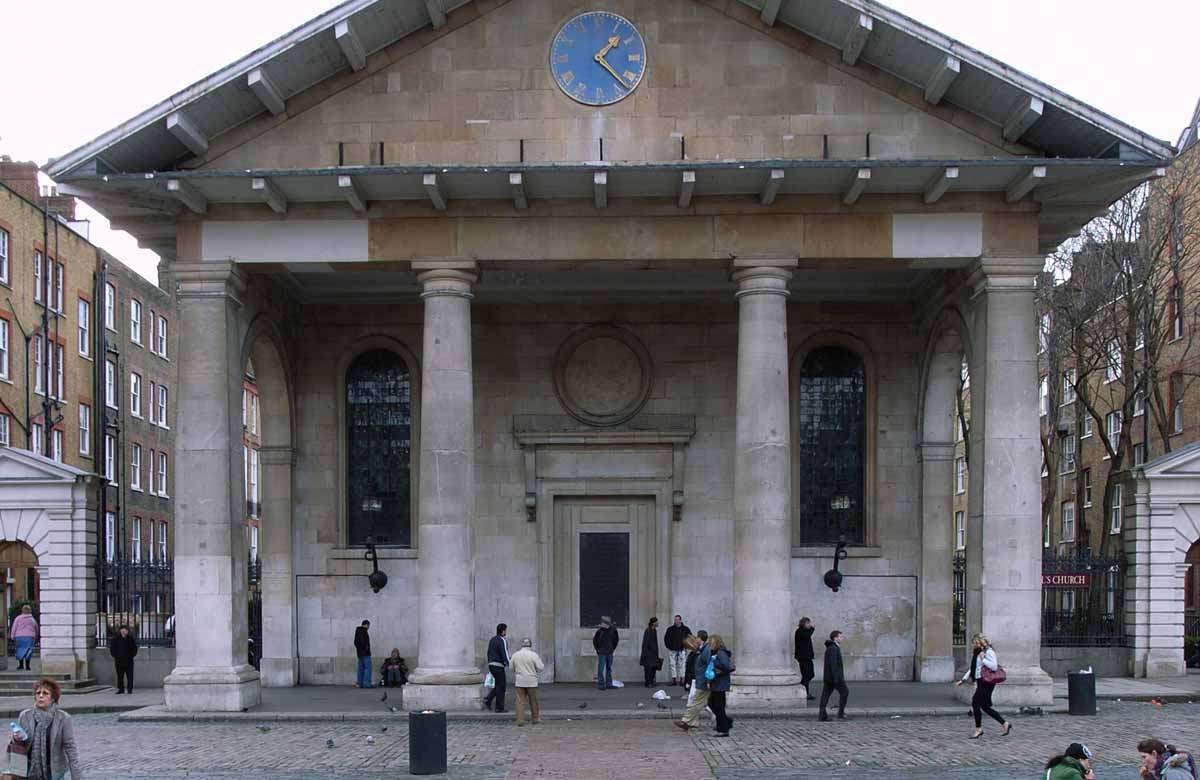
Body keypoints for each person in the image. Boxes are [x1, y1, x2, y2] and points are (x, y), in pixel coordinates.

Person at [13, 677, 82, 780]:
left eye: (45, 693)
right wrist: (16, 738)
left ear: (53, 698)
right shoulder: (25, 715)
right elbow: (18, 744)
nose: (41, 696)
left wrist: (76, 776)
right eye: (38, 693)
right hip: (28, 771)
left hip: (54, 773)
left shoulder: (63, 718)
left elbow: (70, 747)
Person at [955, 632, 1011, 739]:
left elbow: (994, 667)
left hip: (987, 682)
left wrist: (983, 659)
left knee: (975, 702)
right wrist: (963, 680)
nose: (974, 645)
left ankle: (978, 729)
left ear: (980, 642)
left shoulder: (989, 652)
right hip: (981, 681)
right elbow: (973, 668)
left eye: (975, 643)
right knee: (985, 707)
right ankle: (1005, 724)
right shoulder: (977, 653)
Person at [675, 630, 711, 731]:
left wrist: (708, 681)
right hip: (699, 680)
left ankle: (687, 721)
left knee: (695, 702)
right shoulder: (700, 651)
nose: (696, 639)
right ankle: (691, 721)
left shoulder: (704, 651)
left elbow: (706, 666)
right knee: (697, 702)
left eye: (698, 637)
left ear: (700, 638)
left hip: (700, 680)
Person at [705, 634, 736, 737]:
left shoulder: (721, 653)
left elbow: (727, 666)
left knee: (718, 706)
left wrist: (717, 671)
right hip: (717, 683)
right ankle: (726, 723)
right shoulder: (716, 653)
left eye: (710, 642)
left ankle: (723, 729)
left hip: (720, 684)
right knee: (712, 703)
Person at [510, 638, 545, 726]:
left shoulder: (516, 655)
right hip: (531, 681)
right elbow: (541, 667)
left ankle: (520, 720)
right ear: (530, 645)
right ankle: (535, 718)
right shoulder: (533, 655)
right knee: (533, 700)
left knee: (520, 701)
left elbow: (511, 667)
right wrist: (534, 669)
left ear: (522, 645)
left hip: (520, 680)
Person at [818, 629, 849, 722]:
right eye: (840, 637)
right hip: (834, 678)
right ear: (835, 638)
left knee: (825, 696)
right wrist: (837, 678)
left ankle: (822, 715)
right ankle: (840, 713)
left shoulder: (832, 647)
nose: (842, 638)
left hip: (829, 677)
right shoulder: (833, 648)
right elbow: (833, 664)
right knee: (845, 692)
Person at [482, 623, 510, 712]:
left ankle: (488, 700)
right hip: (498, 665)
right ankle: (499, 707)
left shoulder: (492, 639)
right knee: (502, 686)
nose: (506, 632)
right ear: (503, 631)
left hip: (491, 665)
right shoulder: (502, 640)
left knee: (498, 685)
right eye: (505, 630)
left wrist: (490, 662)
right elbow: (504, 653)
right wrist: (509, 664)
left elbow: (488, 652)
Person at [108, 624, 138, 694]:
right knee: (120, 676)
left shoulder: (130, 639)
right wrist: (116, 656)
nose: (124, 631)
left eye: (126, 630)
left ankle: (130, 689)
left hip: (129, 661)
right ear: (120, 631)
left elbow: (134, 649)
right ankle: (121, 689)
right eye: (123, 630)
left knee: (130, 676)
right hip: (119, 661)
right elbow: (112, 649)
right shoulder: (116, 639)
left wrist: (131, 656)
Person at [663, 614, 691, 686]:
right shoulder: (670, 629)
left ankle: (682, 680)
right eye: (675, 620)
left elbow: (690, 639)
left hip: (682, 649)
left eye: (678, 620)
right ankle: (674, 680)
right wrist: (669, 646)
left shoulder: (686, 629)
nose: (676, 621)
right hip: (672, 650)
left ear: (680, 620)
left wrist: (686, 647)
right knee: (672, 665)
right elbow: (666, 639)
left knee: (682, 665)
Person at [592, 616, 619, 690]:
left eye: (602, 623)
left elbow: (616, 640)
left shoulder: (613, 630)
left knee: (609, 669)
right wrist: (598, 649)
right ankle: (601, 685)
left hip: (610, 652)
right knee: (600, 669)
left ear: (606, 624)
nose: (601, 624)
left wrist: (613, 648)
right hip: (602, 653)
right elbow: (595, 641)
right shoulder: (599, 631)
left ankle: (609, 684)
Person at [794, 617, 815, 700]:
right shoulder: (800, 631)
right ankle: (803, 691)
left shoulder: (803, 631)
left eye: (809, 623)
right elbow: (807, 635)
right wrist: (812, 628)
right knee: (807, 675)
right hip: (803, 657)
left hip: (807, 656)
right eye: (808, 623)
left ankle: (805, 691)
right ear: (803, 624)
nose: (809, 625)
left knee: (810, 674)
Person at [11, 605, 38, 671]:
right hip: (29, 637)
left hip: (19, 637)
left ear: (22, 610)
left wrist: (12, 635)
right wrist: (36, 636)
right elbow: (36, 628)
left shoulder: (18, 618)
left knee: (20, 650)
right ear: (30, 610)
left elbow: (14, 627)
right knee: (28, 651)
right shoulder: (32, 619)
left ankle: (21, 665)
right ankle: (28, 666)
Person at [640, 617, 661, 688]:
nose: (658, 623)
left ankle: (651, 681)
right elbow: (645, 643)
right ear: (653, 623)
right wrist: (645, 654)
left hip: (654, 653)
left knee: (653, 668)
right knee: (648, 669)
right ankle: (648, 683)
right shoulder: (648, 631)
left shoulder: (654, 630)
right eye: (657, 622)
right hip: (649, 653)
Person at [353, 620, 372, 688]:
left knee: (360, 669)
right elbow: (364, 642)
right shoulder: (364, 631)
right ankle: (367, 683)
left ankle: (360, 683)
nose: (369, 627)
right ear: (366, 625)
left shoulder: (357, 631)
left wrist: (360, 650)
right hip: (365, 653)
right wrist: (366, 648)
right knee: (368, 668)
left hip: (359, 653)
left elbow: (355, 643)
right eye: (368, 625)